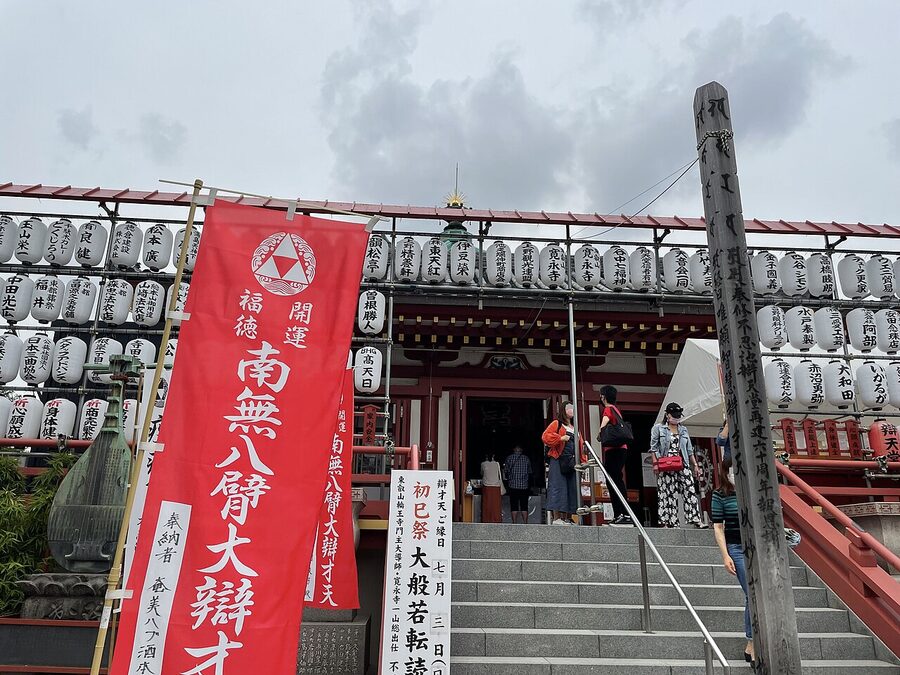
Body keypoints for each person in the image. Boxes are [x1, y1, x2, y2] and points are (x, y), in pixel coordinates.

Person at [711, 456, 754, 664]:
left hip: (758, 548)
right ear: (725, 473)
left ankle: (752, 643)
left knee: (755, 595)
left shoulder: (753, 491)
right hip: (736, 547)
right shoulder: (720, 495)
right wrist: (725, 555)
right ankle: (752, 640)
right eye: (730, 471)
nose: (734, 475)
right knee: (751, 593)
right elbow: (718, 526)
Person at [650, 402, 707, 529]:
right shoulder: (658, 428)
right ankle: (671, 521)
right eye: (674, 416)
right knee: (669, 492)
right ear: (667, 415)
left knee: (690, 489)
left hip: (682, 462)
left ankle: (695, 518)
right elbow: (653, 448)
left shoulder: (683, 429)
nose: (676, 418)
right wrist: (655, 464)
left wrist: (696, 466)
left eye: (678, 416)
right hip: (666, 462)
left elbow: (689, 450)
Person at [542, 401, 585, 525]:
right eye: (569, 408)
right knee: (558, 486)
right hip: (558, 458)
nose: (572, 410)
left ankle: (568, 517)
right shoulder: (557, 423)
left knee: (572, 488)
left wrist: (583, 461)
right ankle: (557, 518)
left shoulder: (575, 427)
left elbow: (581, 446)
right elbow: (545, 436)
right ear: (563, 410)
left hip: (572, 460)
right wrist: (560, 438)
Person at [597, 385, 632, 526]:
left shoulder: (608, 408)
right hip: (621, 449)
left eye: (601, 395)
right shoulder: (617, 409)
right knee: (617, 479)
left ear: (603, 396)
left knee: (612, 481)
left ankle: (621, 513)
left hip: (613, 450)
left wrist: (600, 433)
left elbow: (604, 422)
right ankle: (622, 513)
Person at [503, 445, 532, 524]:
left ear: (514, 450)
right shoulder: (526, 459)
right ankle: (525, 522)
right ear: (521, 450)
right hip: (524, 486)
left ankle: (514, 522)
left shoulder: (509, 458)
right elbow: (530, 472)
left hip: (513, 485)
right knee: (524, 505)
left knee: (514, 505)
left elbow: (505, 471)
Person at [480, 452, 503, 523]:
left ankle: (486, 519)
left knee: (487, 503)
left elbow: (481, 473)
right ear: (494, 456)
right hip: (496, 486)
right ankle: (496, 519)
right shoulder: (497, 464)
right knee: (496, 504)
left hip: (487, 486)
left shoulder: (483, 464)